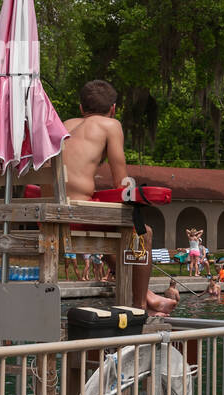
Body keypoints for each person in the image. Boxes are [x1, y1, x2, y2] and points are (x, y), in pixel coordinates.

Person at [61, 80, 178, 316]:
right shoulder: (110, 125)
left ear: (81, 108)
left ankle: (147, 296)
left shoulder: (65, 125)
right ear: (113, 108)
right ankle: (140, 305)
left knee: (113, 235)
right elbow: (121, 184)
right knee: (143, 232)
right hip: (76, 213)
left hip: (51, 210)